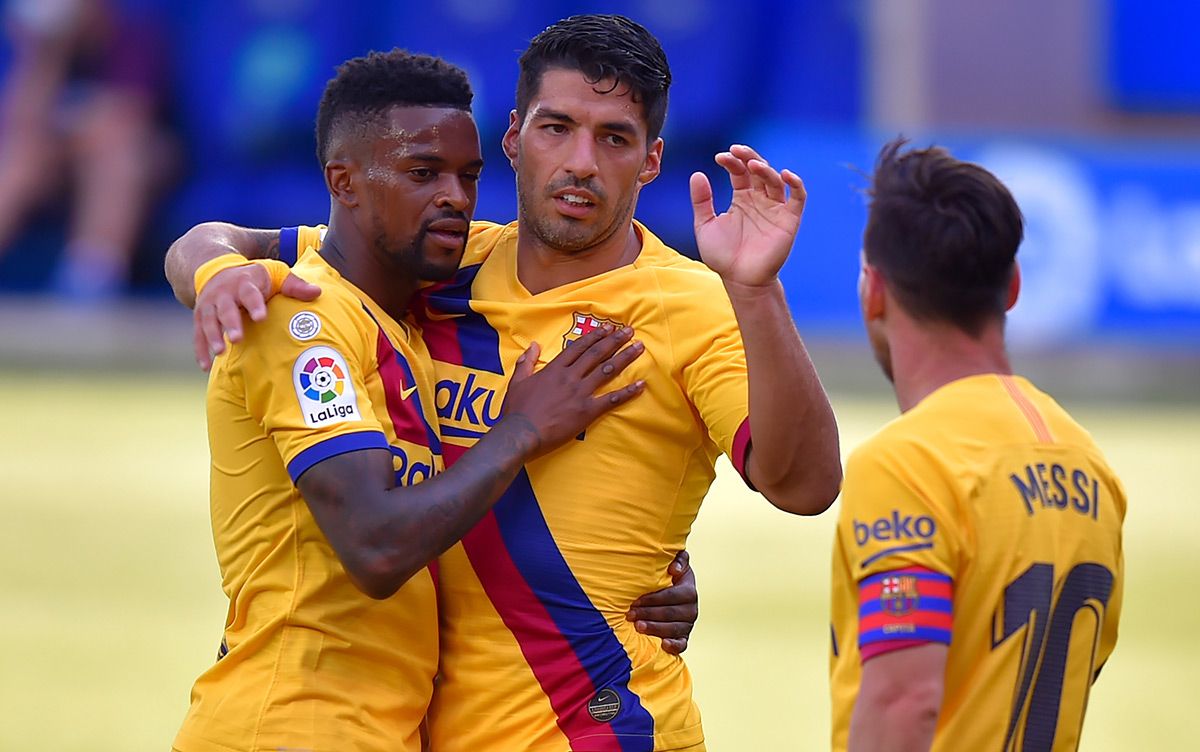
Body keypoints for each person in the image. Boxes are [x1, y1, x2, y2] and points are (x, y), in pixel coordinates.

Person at [166, 15, 842, 751]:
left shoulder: (695, 308)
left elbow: (805, 486)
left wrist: (755, 291)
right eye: (558, 128)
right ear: (515, 137)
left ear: (651, 161)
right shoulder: (436, 262)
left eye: (613, 138)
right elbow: (227, 238)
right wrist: (214, 272)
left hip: (599, 730)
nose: (581, 162)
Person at [172, 49, 649, 752]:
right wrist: (520, 430)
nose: (455, 196)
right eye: (423, 173)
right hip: (290, 722)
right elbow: (376, 544)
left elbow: (218, 240)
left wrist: (636, 587)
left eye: (469, 175)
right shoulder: (302, 317)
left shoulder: (406, 312)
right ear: (345, 184)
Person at [829, 139, 1125, 751]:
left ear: (874, 291)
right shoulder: (1091, 466)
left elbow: (903, 697)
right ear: (1013, 286)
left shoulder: (908, 463)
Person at [0, 0, 175, 300]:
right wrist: (47, 55)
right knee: (21, 159)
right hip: (57, 157)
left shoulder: (132, 32)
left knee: (117, 155)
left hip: (144, 155)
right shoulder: (35, 44)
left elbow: (128, 117)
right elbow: (20, 124)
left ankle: (88, 284)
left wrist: (67, 124)